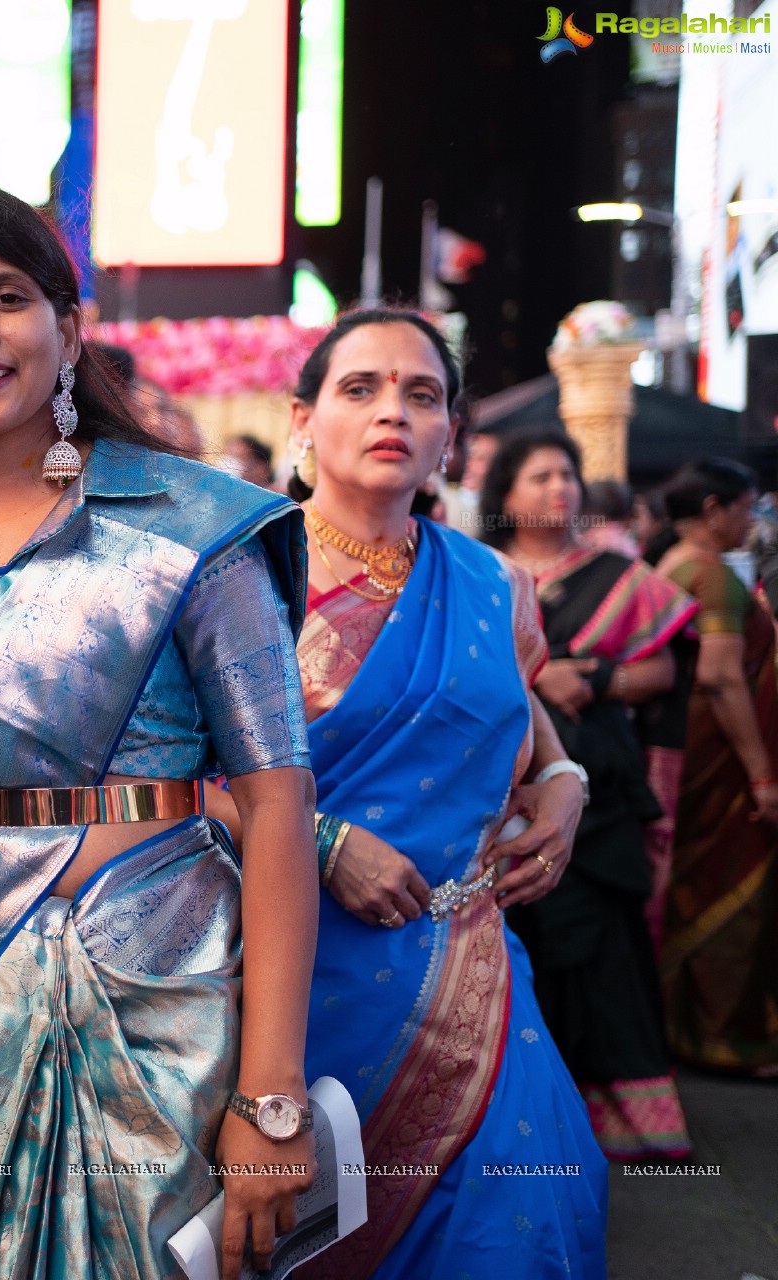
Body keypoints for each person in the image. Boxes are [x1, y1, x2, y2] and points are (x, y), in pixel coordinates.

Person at [0, 175, 317, 1280]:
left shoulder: (196, 525)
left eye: (7, 296)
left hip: (168, 1008)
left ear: (67, 331)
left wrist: (273, 1097)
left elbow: (280, 803)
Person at [264, 310, 603, 1278]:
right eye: (360, 388)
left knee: (514, 1232)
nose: (394, 413)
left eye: (423, 395)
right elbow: (179, 777)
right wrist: (325, 840)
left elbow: (515, 706)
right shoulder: (245, 573)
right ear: (304, 416)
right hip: (292, 988)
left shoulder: (495, 583)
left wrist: (563, 777)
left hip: (475, 977)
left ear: (451, 432)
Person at [481, 428, 699, 1161]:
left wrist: (596, 679)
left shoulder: (617, 575)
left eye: (567, 476)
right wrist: (544, 678)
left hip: (599, 786)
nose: (560, 489)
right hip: (502, 786)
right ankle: (525, 1107)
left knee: (605, 942)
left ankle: (621, 1113)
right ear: (505, 494)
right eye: (540, 476)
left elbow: (664, 673)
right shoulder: (475, 572)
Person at [655, 458, 778, 1075]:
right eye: (747, 507)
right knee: (737, 890)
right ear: (712, 509)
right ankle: (723, 1034)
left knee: (688, 883)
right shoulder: (713, 577)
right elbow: (722, 679)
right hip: (724, 757)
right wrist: (761, 773)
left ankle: (681, 1026)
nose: (752, 520)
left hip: (686, 752)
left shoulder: (668, 566)